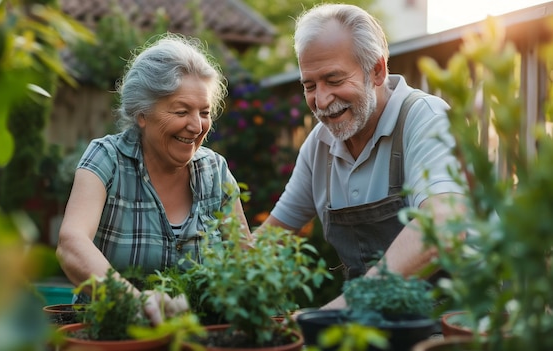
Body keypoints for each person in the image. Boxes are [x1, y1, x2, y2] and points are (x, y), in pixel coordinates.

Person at [256, 4, 465, 310]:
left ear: (377, 70)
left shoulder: (426, 119)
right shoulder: (319, 146)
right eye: (310, 86)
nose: (321, 100)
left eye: (335, 80)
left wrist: (339, 310)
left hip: (456, 323)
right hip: (376, 324)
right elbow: (271, 238)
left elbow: (442, 229)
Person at [56, 33, 252, 325]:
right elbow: (71, 243)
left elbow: (245, 263)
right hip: (109, 334)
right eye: (181, 111)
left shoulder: (216, 171)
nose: (197, 126)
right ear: (142, 114)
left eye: (205, 112)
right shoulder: (107, 158)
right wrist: (131, 301)